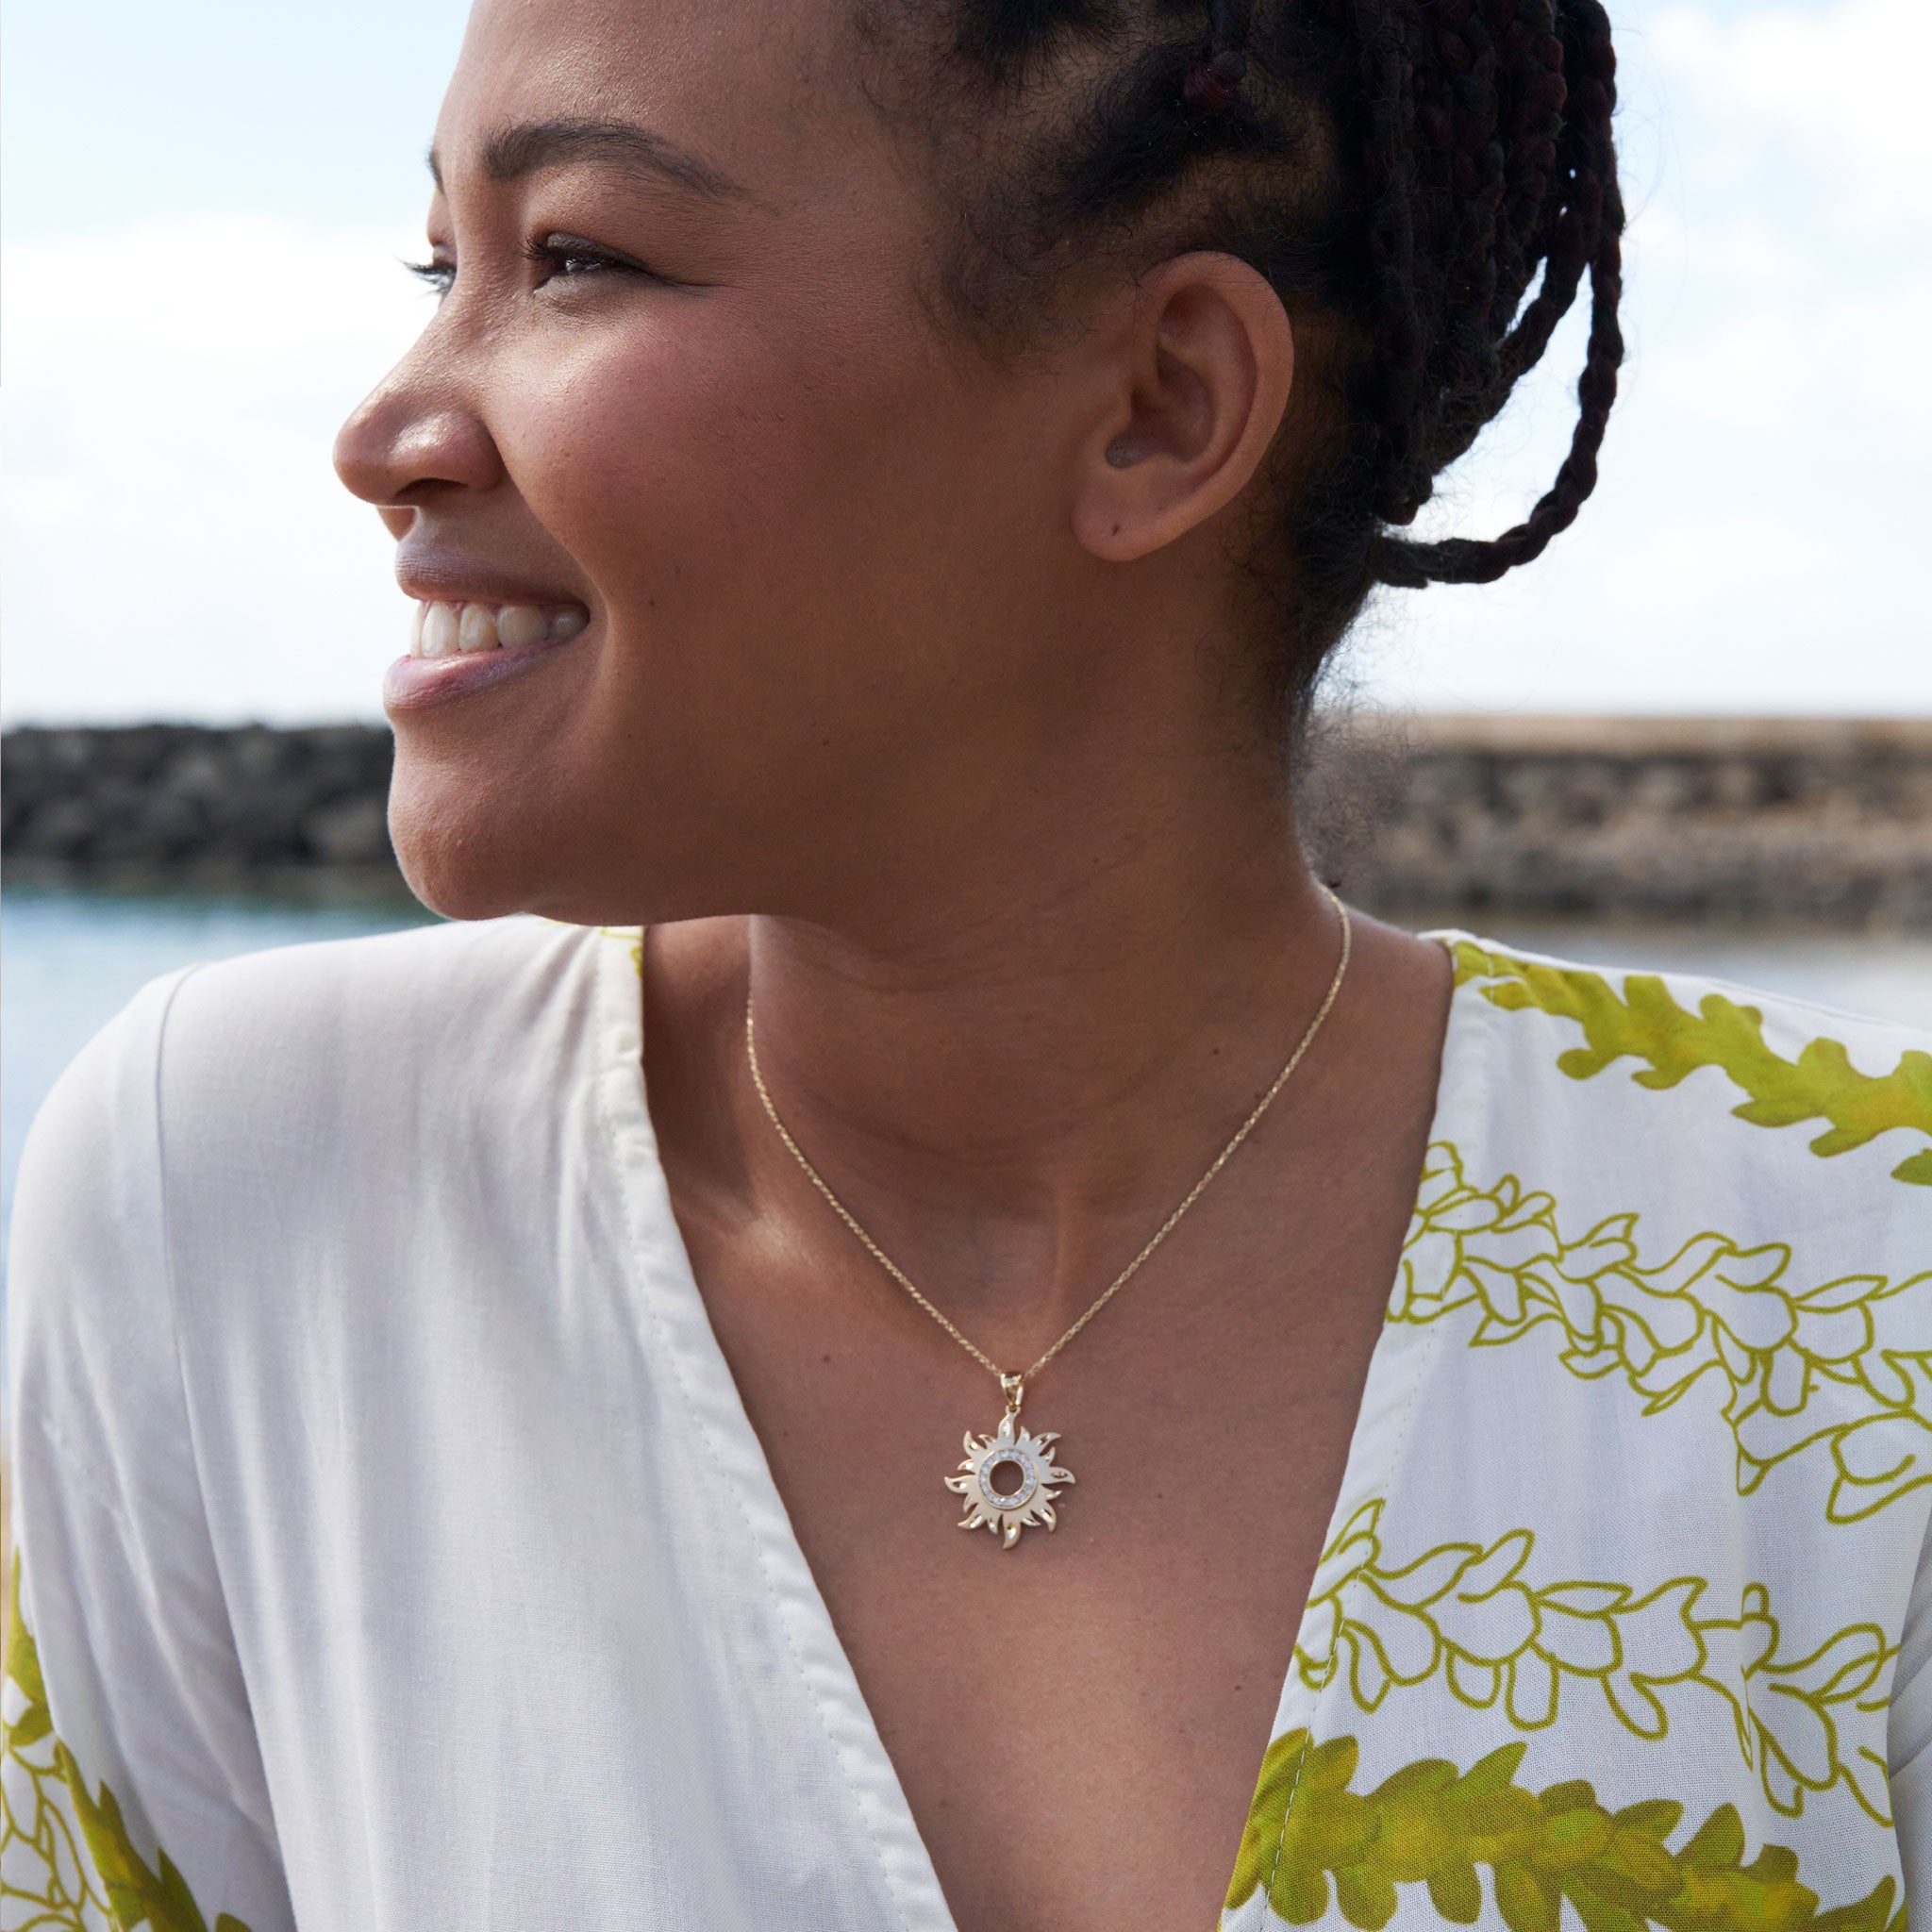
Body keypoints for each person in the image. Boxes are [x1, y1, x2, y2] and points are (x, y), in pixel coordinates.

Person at [5, 0, 1929, 1926]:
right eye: (446, 264)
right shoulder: (239, 1205)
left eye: (575, 259)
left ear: (1160, 402)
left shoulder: (1848, 1286)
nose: (386, 435)